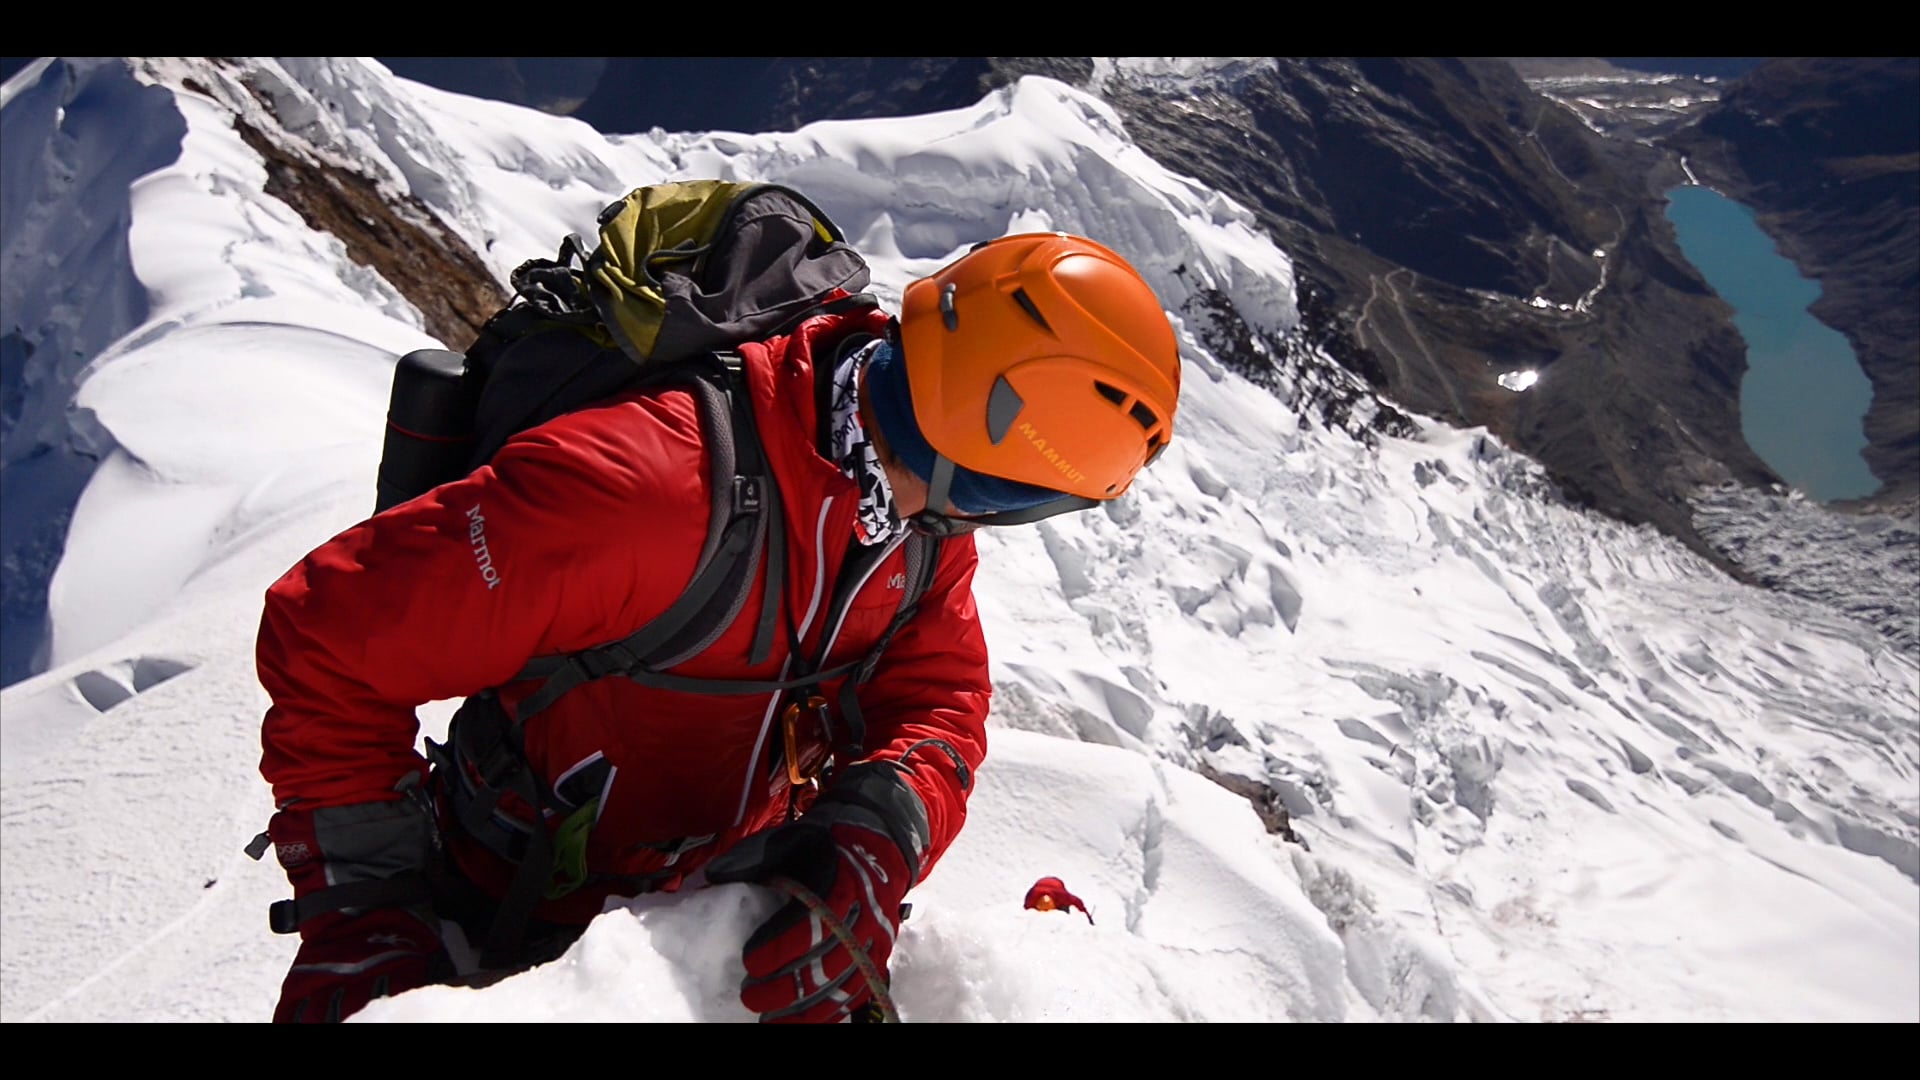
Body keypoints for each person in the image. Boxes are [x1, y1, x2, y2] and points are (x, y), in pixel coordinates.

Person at [254, 230, 1182, 1023]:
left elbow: (938, 698)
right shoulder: (646, 491)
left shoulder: (915, 523)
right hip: (500, 910)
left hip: (707, 920)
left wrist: (876, 829)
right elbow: (327, 633)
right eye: (1026, 500)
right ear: (997, 471)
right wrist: (363, 904)